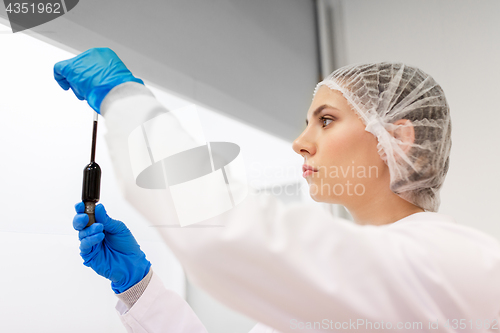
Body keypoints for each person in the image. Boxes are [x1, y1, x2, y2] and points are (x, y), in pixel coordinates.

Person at [56, 48, 500, 333]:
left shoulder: (453, 263)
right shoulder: (347, 278)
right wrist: (140, 290)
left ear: (397, 138)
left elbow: (234, 233)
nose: (300, 141)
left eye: (326, 120)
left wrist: (124, 98)